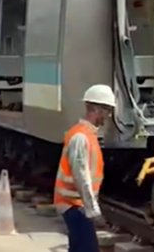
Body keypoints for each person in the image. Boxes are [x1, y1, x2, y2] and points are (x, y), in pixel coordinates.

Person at [53, 84, 116, 252]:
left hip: (76, 203)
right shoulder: (81, 137)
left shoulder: (88, 135)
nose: (109, 115)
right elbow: (82, 177)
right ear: (96, 109)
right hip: (72, 204)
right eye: (107, 110)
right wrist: (93, 211)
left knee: (78, 247)